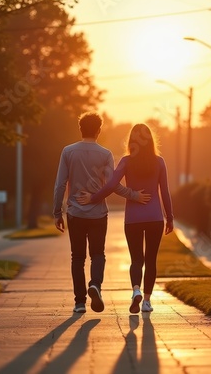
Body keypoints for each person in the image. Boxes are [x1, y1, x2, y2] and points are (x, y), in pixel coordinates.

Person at [53, 112, 150, 314]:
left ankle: (80, 302)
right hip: (98, 214)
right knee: (98, 254)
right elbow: (113, 185)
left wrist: (57, 211)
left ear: (81, 129)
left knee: (77, 257)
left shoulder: (68, 152)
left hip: (75, 213)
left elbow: (60, 184)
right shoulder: (105, 154)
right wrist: (133, 195)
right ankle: (95, 284)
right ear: (99, 131)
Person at [78, 123, 174, 313]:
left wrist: (93, 198)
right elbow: (165, 192)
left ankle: (135, 290)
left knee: (136, 259)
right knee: (151, 260)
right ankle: (146, 301)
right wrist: (169, 217)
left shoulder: (126, 161)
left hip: (133, 219)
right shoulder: (159, 162)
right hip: (155, 217)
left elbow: (111, 185)